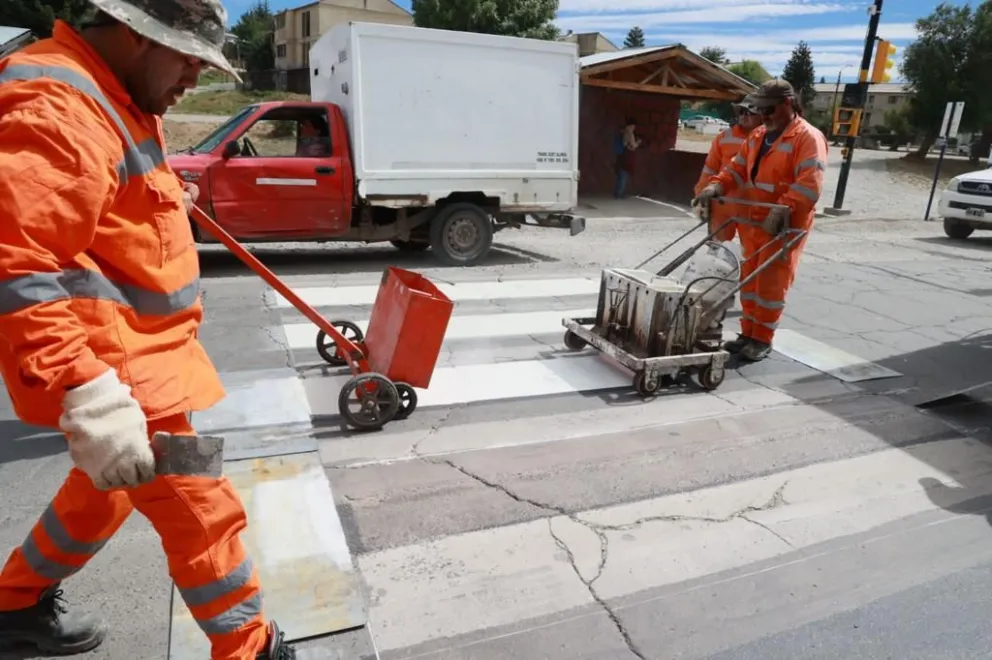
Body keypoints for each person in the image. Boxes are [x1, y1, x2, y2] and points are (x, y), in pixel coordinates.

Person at [0, 1, 294, 658]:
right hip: (119, 376)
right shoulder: (61, 104)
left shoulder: (119, 96)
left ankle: (13, 605)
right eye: (188, 59)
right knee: (205, 510)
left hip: (150, 366)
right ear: (137, 36)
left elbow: (103, 203)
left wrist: (160, 197)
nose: (194, 77)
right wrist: (87, 391)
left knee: (103, 492)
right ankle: (252, 649)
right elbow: (17, 258)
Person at [694, 79, 828, 362]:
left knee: (770, 284)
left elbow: (809, 184)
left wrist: (783, 208)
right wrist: (716, 186)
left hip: (784, 225)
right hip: (754, 222)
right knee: (750, 281)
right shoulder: (757, 136)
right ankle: (748, 334)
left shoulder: (807, 138)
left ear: (787, 104)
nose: (763, 115)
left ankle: (762, 338)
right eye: (760, 110)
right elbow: (736, 169)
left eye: (768, 109)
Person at [693, 95, 762, 241]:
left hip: (751, 206)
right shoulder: (724, 137)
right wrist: (701, 195)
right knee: (717, 248)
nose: (744, 116)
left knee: (751, 251)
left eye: (749, 112)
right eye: (741, 111)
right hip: (722, 203)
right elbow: (710, 169)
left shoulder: (767, 140)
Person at [614, 117, 642, 198]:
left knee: (620, 174)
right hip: (626, 156)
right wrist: (638, 142)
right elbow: (633, 145)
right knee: (624, 175)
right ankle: (620, 193)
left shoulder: (622, 132)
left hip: (621, 155)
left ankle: (617, 191)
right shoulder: (629, 133)